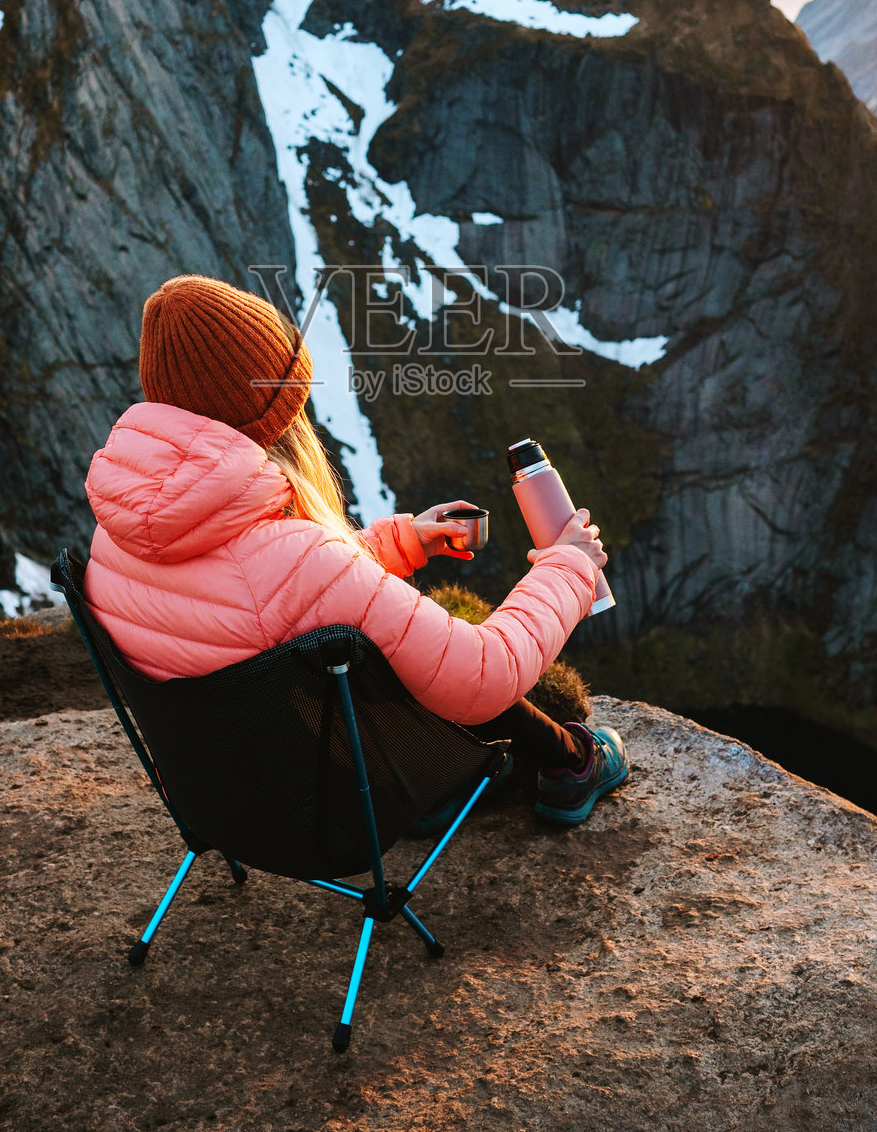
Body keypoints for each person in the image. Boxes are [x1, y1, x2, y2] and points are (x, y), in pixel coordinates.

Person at [84, 275, 629, 826]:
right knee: (404, 663)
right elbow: (483, 677)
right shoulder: (293, 560)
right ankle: (575, 763)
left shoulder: (115, 536)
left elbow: (275, 589)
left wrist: (402, 541)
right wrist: (570, 566)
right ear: (274, 411)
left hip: (216, 801)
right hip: (328, 816)